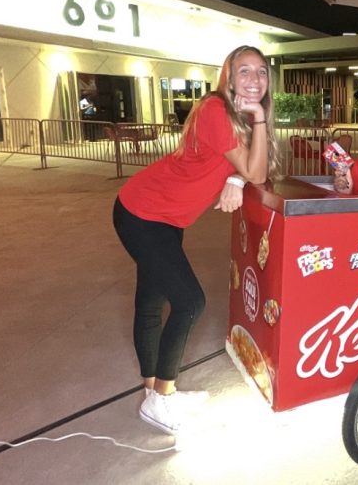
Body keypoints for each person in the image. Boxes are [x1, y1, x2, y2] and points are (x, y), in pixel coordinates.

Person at [112, 45, 279, 436]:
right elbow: (256, 170)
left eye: (261, 71)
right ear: (229, 76)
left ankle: (155, 391)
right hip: (140, 212)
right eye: (245, 71)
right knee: (190, 301)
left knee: (151, 301)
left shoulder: (234, 116)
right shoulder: (216, 110)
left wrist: (235, 178)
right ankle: (161, 398)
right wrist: (258, 123)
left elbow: (258, 168)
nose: (254, 79)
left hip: (167, 217)